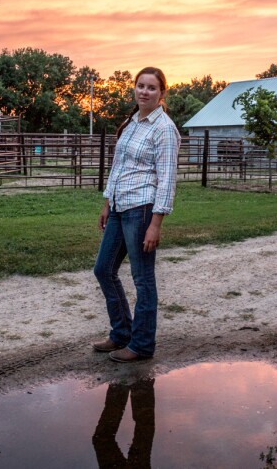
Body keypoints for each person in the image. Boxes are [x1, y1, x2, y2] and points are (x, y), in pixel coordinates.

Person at [92, 66, 180, 363]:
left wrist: (156, 223)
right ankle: (121, 334)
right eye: (140, 86)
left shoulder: (164, 129)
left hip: (141, 210)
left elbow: (167, 179)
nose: (144, 91)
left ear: (162, 93)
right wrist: (107, 202)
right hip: (119, 206)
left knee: (143, 280)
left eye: (151, 87)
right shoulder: (132, 123)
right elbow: (118, 166)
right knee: (103, 269)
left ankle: (141, 345)